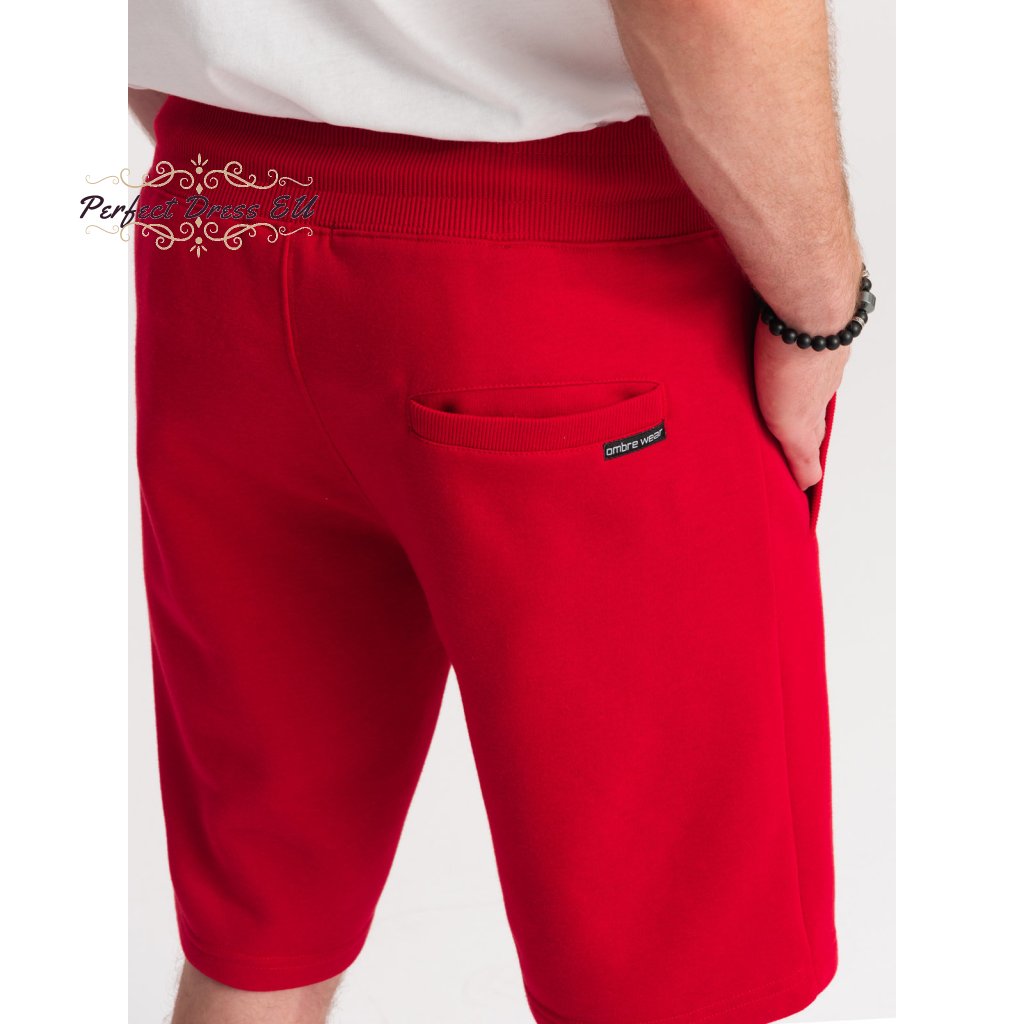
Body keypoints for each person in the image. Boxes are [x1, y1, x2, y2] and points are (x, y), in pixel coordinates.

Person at [127, 0, 869, 1022]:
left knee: (261, 926)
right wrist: (822, 315)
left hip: (219, 239)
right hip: (563, 270)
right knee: (675, 975)